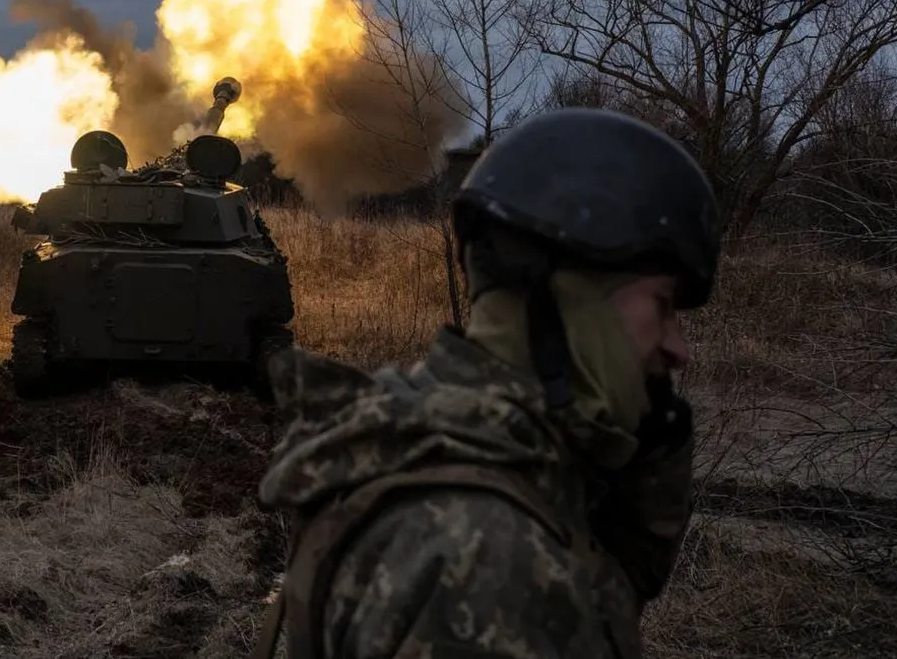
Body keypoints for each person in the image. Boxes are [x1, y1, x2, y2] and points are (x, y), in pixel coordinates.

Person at [252, 107, 722, 659]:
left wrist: (647, 459)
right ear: (566, 298)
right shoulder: (486, 562)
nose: (678, 347)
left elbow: (614, 581)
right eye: (662, 305)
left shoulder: (425, 438)